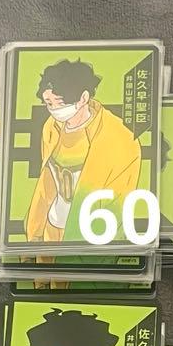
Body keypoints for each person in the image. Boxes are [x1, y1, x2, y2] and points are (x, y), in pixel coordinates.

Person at [25, 60, 141, 244]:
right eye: (48, 103)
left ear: (83, 98)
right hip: (52, 228)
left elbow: (119, 199)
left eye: (59, 103)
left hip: (90, 233)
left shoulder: (118, 136)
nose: (54, 110)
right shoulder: (51, 127)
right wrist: (35, 233)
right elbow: (46, 183)